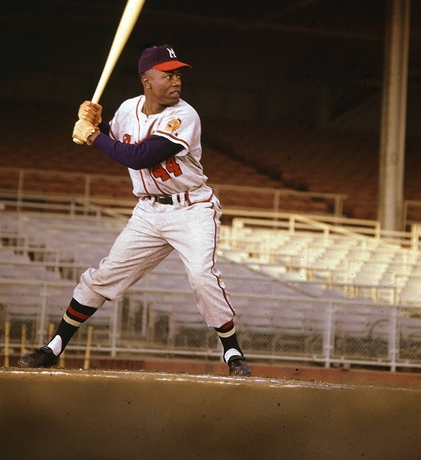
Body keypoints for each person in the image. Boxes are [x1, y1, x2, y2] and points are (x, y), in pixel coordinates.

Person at [19, 44, 251, 376]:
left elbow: (138, 156)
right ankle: (54, 347)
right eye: (167, 74)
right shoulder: (129, 109)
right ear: (146, 80)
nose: (176, 81)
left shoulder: (184, 115)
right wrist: (94, 123)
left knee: (201, 277)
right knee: (102, 277)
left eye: (178, 75)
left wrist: (93, 136)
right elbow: (117, 136)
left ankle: (232, 352)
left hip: (192, 209)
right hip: (149, 212)